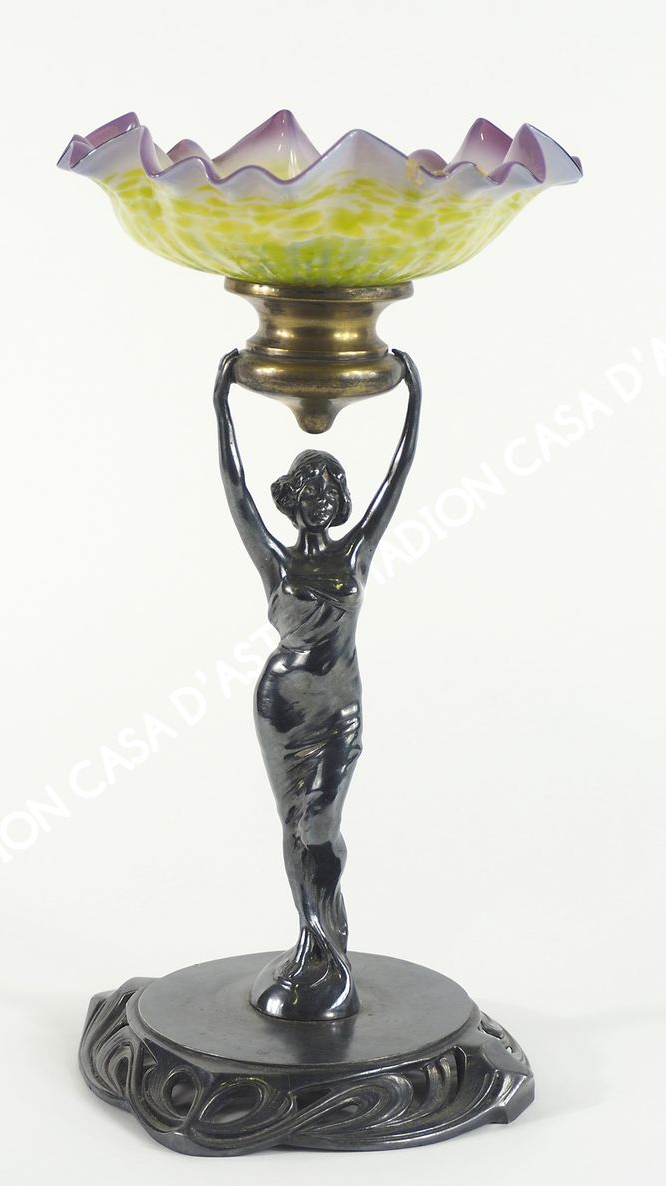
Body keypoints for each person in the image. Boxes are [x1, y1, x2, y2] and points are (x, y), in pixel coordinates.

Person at [214, 347, 422, 1020]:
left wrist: (413, 400)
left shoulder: (355, 552)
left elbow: (396, 478)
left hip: (339, 709)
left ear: (339, 501)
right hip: (282, 706)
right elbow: (236, 491)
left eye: (330, 488)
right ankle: (311, 937)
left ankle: (329, 938)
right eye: (308, 488)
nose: (320, 497)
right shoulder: (273, 560)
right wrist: (221, 406)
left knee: (322, 822)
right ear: (292, 499)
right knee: (294, 825)